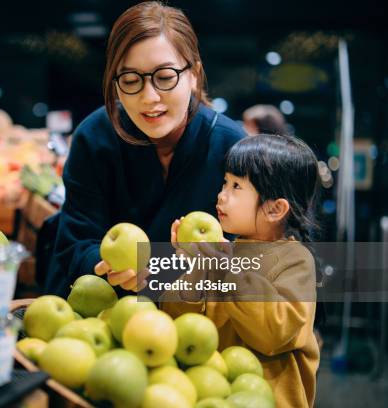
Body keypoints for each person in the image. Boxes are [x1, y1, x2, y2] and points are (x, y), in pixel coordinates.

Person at [45, 1, 246, 296]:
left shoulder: (232, 146)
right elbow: (74, 242)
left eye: (165, 77)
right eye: (130, 80)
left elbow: (258, 252)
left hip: (198, 318)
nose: (149, 97)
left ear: (194, 75)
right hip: (101, 314)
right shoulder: (94, 137)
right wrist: (103, 265)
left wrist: (228, 264)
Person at [164, 134, 320, 407]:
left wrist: (225, 267)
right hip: (215, 395)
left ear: (275, 209)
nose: (221, 195)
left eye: (236, 186)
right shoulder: (224, 254)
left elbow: (274, 332)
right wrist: (196, 265)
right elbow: (179, 323)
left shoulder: (295, 260)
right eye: (224, 182)